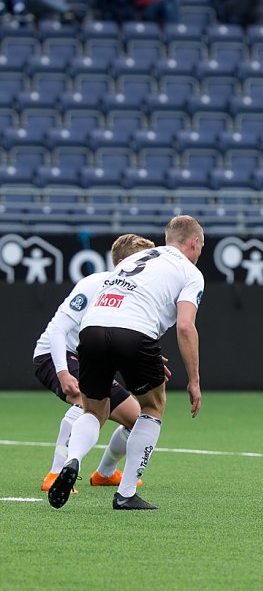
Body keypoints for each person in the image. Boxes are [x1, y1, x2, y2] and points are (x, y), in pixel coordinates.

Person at [47, 216, 205, 511]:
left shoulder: (138, 257)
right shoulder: (190, 271)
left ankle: (73, 460)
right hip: (135, 333)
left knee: (93, 409)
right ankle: (126, 494)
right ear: (194, 243)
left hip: (92, 329)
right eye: (201, 248)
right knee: (152, 406)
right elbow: (185, 327)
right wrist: (194, 380)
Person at [34, 234, 156, 494]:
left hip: (88, 358)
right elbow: (58, 330)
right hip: (55, 356)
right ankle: (56, 472)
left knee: (137, 419)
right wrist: (63, 372)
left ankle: (105, 473)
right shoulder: (94, 283)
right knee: (84, 401)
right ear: (123, 262)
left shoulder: (135, 293)